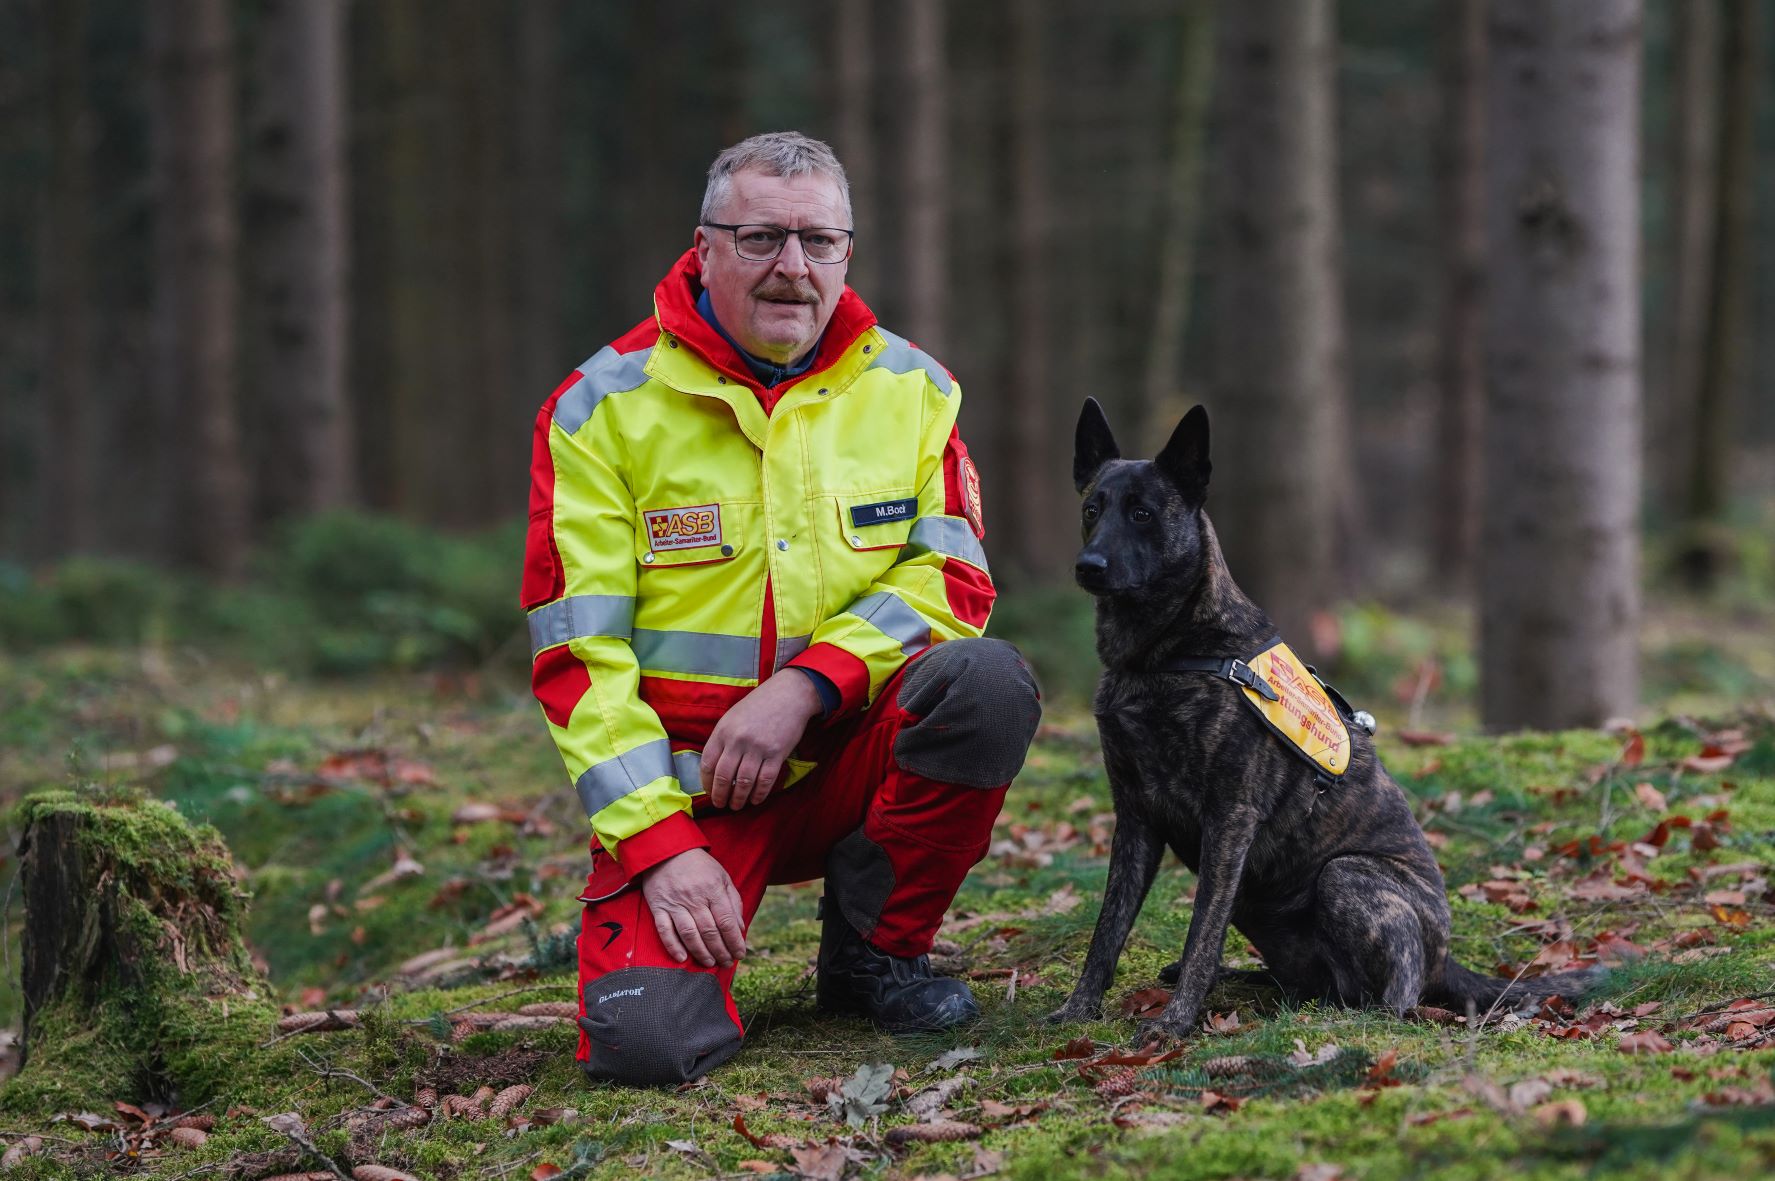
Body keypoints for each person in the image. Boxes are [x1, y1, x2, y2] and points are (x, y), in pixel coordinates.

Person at [522, 131, 1041, 1086]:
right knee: (646, 1049)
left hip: (850, 755)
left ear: (848, 252)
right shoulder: (600, 408)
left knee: (985, 683)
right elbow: (575, 657)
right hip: (693, 796)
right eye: (759, 239)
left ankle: (874, 952)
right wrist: (658, 844)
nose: (791, 269)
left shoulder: (913, 389)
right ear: (704, 246)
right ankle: (684, 918)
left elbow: (951, 583)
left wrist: (807, 685)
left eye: (818, 243)